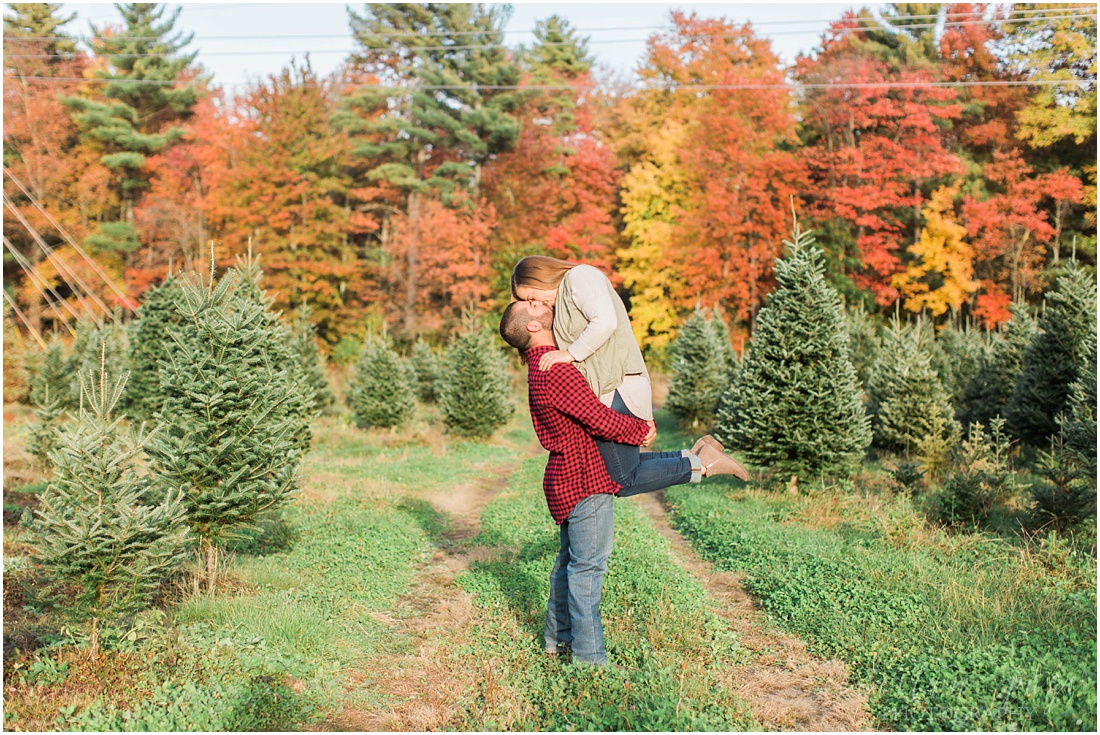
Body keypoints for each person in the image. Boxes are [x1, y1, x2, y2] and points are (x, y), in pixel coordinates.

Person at [498, 299, 747, 666]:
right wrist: (639, 430)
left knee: (569, 564)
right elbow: (597, 417)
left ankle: (558, 641)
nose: (544, 302)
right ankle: (590, 660)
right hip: (584, 479)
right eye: (533, 305)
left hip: (570, 475)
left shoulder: (543, 366)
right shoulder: (556, 371)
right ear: (533, 327)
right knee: (587, 569)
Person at [510, 255, 750, 490]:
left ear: (540, 277)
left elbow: (606, 322)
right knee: (621, 469)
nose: (539, 303)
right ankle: (697, 455)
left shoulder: (579, 277)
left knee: (623, 479)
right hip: (614, 387)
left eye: (533, 296)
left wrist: (570, 354)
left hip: (618, 386)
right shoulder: (563, 302)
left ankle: (705, 464)